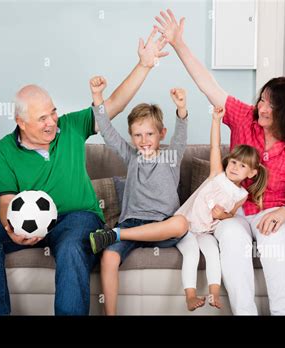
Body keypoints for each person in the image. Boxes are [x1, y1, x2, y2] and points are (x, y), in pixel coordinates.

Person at [0, 28, 169, 315]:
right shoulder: (3, 151)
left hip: (77, 219)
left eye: (53, 112)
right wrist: (13, 228)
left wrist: (145, 64)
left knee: (73, 246)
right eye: (42, 118)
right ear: (20, 121)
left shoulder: (71, 127)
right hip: (29, 221)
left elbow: (115, 105)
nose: (51, 122)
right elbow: (7, 200)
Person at [153, 9, 285, 315]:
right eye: (263, 98)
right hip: (236, 213)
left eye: (270, 104)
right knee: (229, 236)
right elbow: (207, 84)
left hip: (275, 212)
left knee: (271, 240)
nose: (261, 106)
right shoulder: (245, 117)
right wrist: (178, 43)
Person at [88, 76, 189, 315]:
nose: (143, 141)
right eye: (137, 135)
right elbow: (108, 133)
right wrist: (97, 97)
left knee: (181, 222)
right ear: (132, 137)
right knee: (109, 257)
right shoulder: (131, 157)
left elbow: (181, 136)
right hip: (132, 223)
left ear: (162, 134)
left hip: (162, 226)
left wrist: (181, 108)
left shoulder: (171, 157)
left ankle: (114, 234)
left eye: (149, 134)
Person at [174, 106, 266, 311]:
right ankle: (190, 297)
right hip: (186, 226)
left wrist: (222, 215)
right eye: (233, 162)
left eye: (242, 166)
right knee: (191, 254)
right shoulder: (217, 174)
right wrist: (216, 120)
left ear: (251, 173)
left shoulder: (241, 195)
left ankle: (214, 295)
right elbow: (215, 147)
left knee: (213, 254)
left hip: (206, 231)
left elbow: (231, 215)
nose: (234, 167)